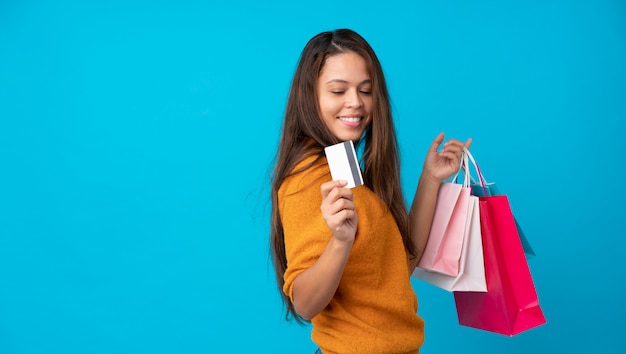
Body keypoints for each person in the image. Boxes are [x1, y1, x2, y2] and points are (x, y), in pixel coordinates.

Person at [269, 28, 471, 354]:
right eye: (338, 90)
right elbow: (305, 304)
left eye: (365, 90)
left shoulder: (343, 164)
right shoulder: (307, 180)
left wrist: (430, 180)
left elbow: (399, 263)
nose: (356, 103)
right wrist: (340, 241)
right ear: (310, 96)